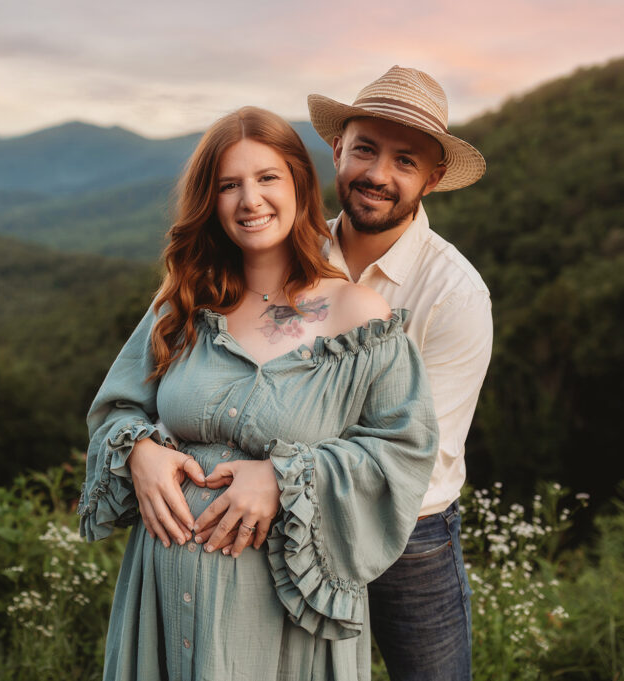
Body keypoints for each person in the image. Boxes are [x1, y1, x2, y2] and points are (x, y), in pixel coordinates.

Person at [77, 106, 439, 681]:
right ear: (210, 202)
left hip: (280, 616)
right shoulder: (182, 306)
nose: (250, 200)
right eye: (229, 185)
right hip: (163, 601)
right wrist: (139, 451)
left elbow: (404, 450)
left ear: (298, 183)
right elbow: (116, 409)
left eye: (267, 178)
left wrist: (283, 478)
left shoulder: (358, 316)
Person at [307, 66, 493, 681]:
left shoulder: (454, 294)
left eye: (405, 161)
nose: (377, 175)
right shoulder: (292, 257)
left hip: (411, 540)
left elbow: (419, 455)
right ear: (338, 149)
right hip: (294, 521)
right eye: (365, 149)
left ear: (433, 179)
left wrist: (275, 471)